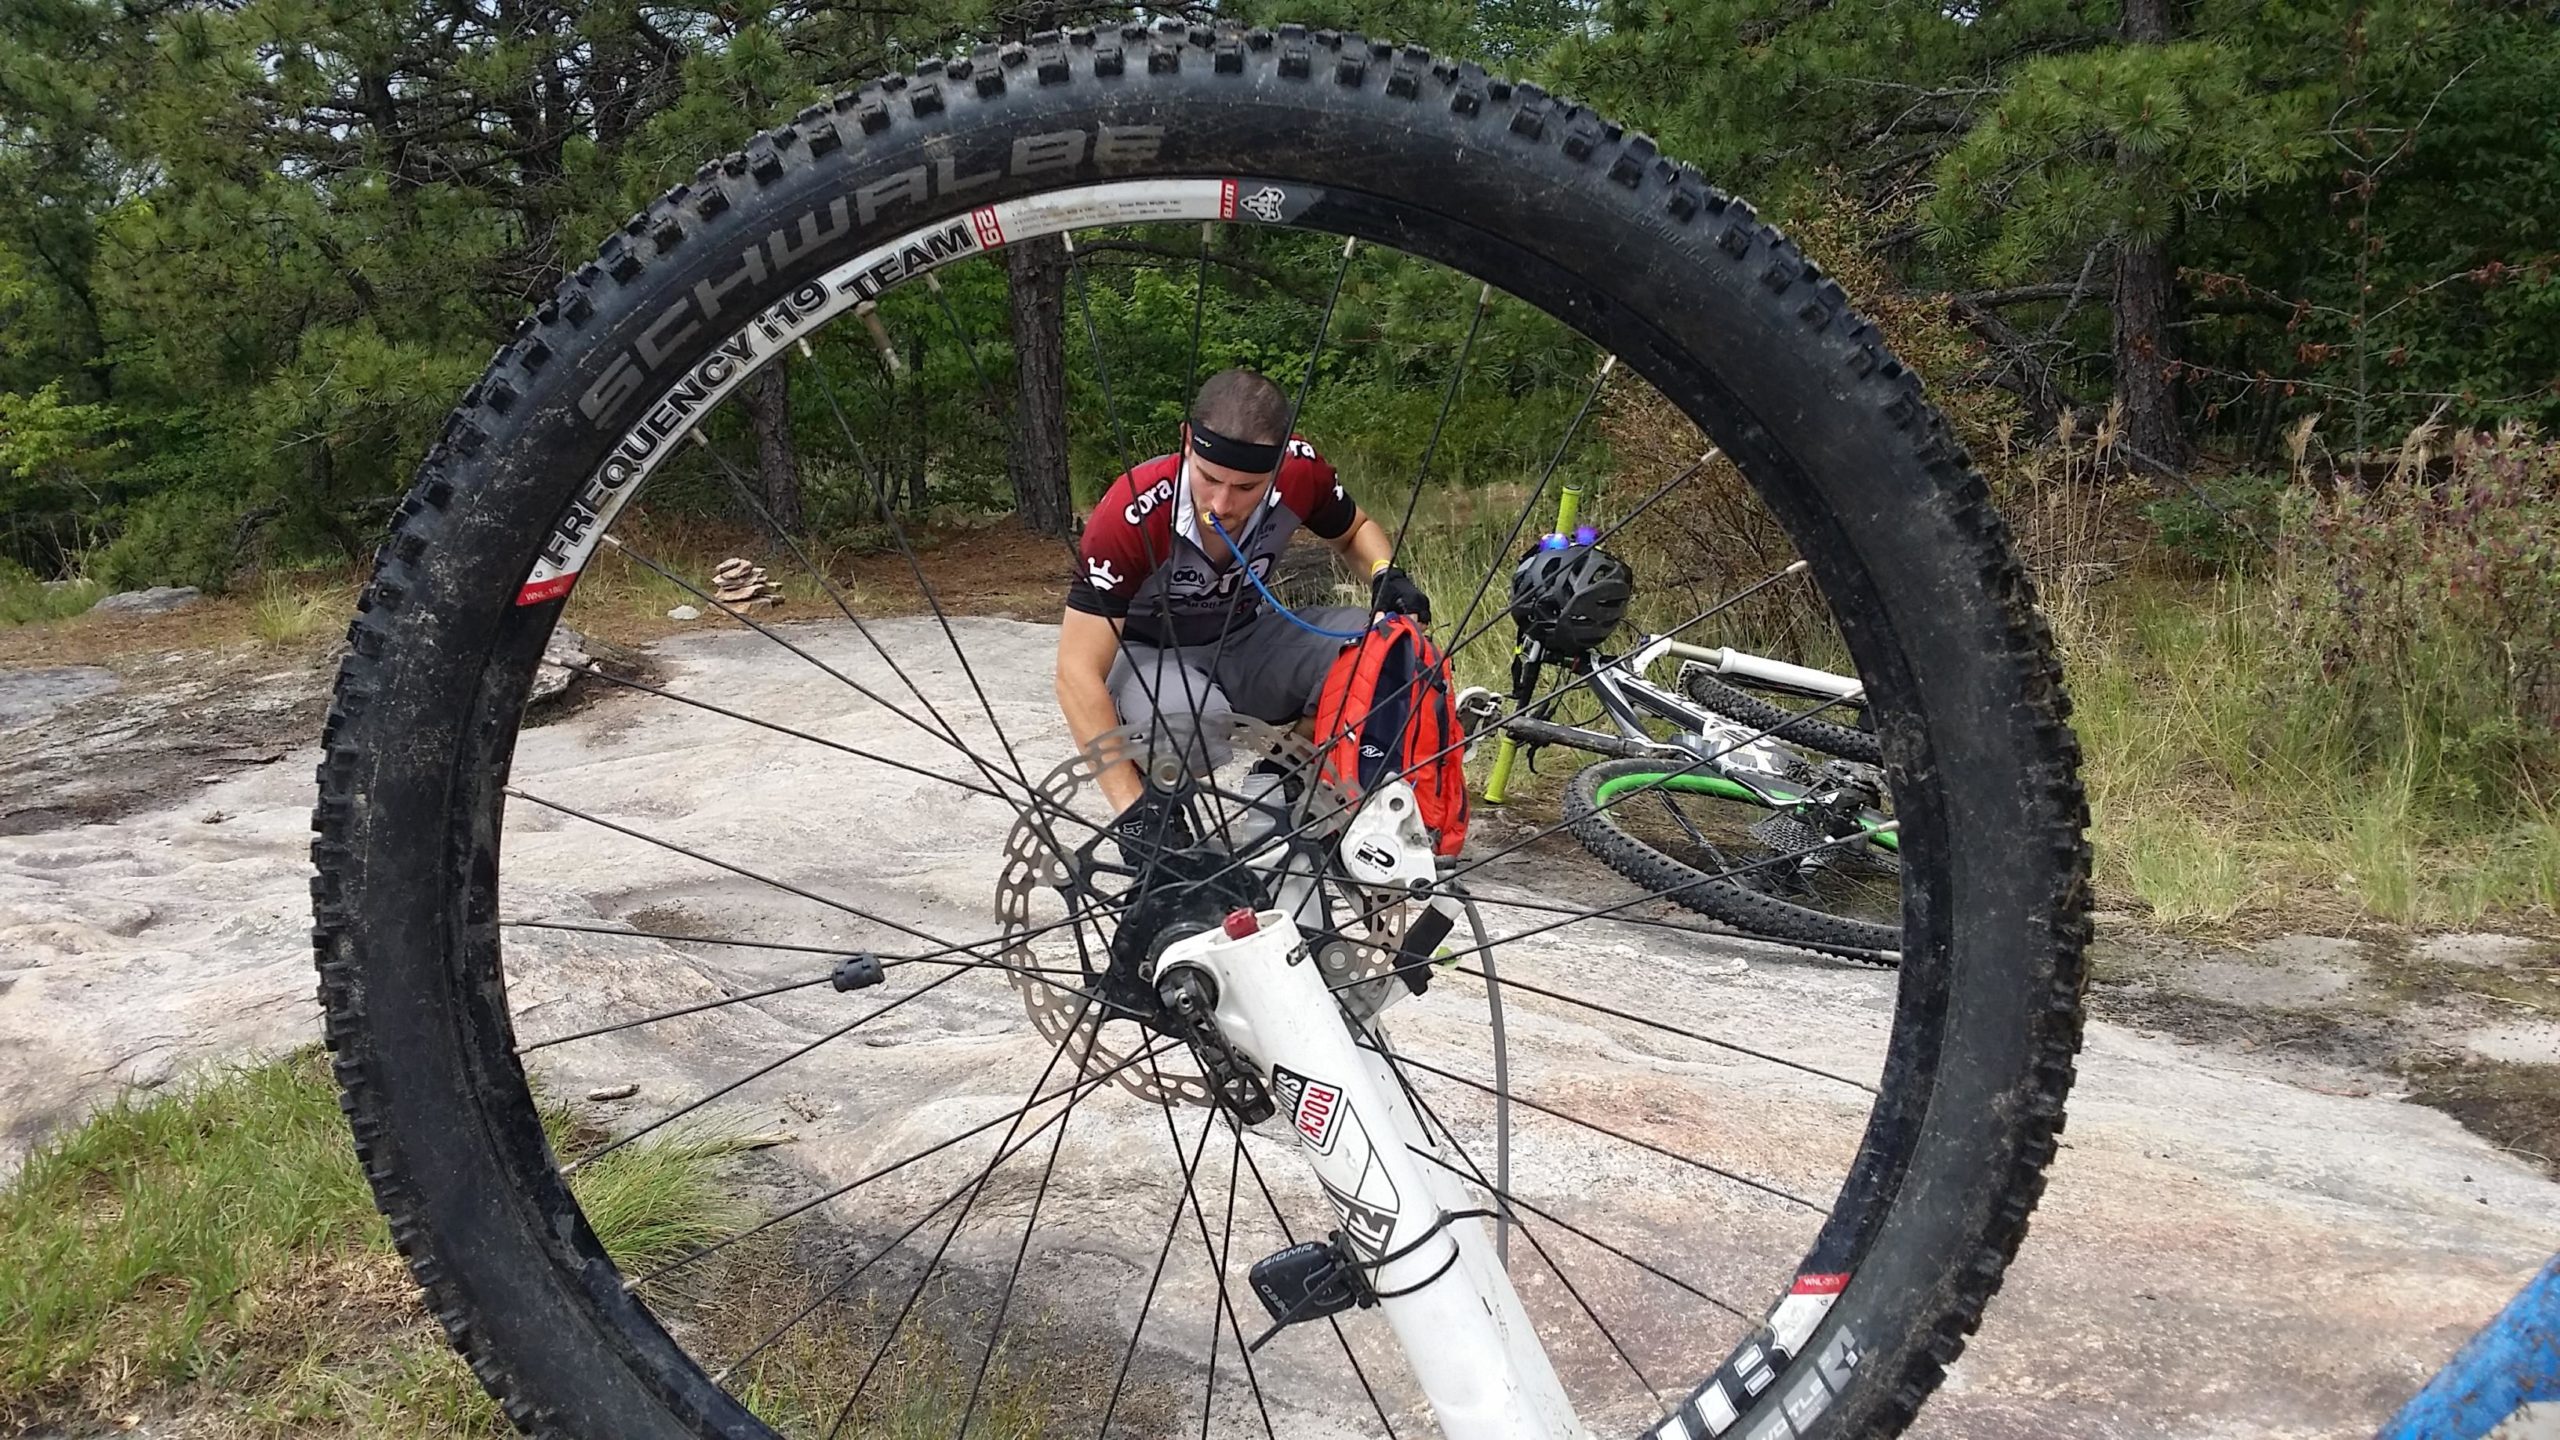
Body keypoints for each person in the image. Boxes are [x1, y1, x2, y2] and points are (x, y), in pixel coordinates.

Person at [1054, 367, 1432, 847]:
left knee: (1383, 652)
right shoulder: (1133, 513)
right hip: (1152, 656)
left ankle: (1283, 774)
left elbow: (1354, 530)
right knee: (1186, 724)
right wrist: (1131, 813)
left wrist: (1385, 573)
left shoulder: (1300, 472)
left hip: (1248, 638)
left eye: (1247, 488)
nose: (1223, 502)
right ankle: (1163, 806)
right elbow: (1075, 672)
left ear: (1276, 468)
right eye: (1209, 478)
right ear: (1187, 441)